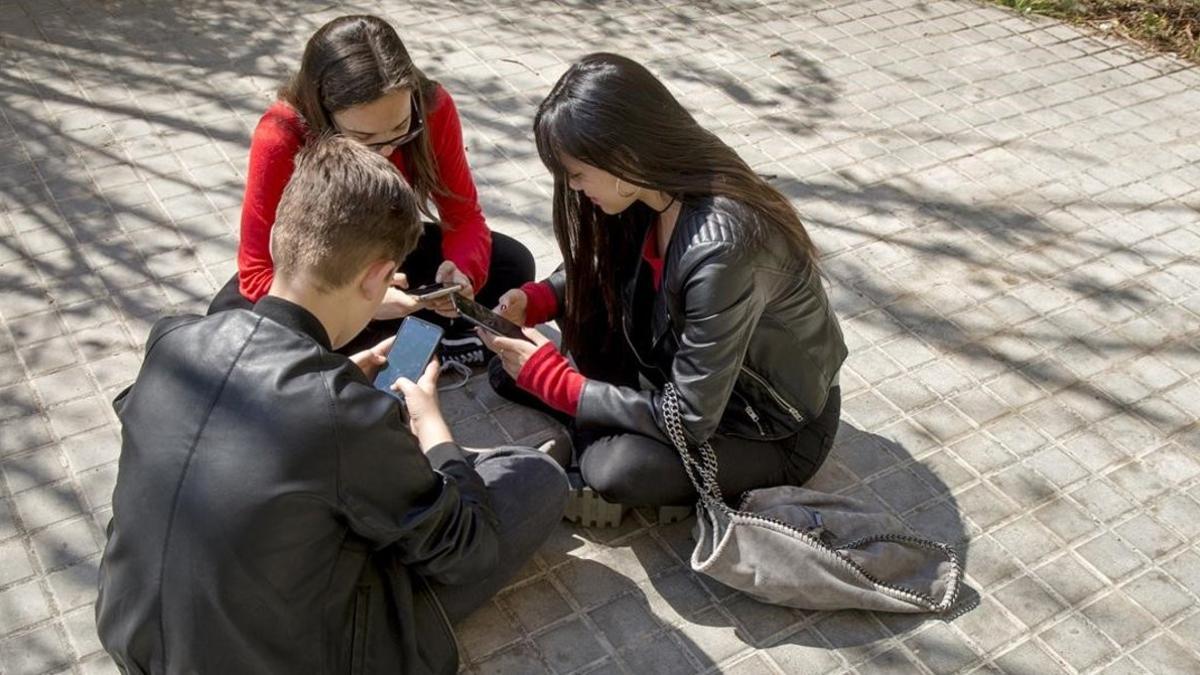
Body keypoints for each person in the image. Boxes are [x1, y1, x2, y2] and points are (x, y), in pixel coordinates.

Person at [96, 137, 567, 674]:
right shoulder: (343, 414)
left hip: (133, 637)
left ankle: (424, 477)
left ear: (279, 237)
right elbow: (470, 550)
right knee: (534, 478)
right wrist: (434, 429)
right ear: (377, 276)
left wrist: (344, 381)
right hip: (285, 660)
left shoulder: (173, 341)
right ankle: (444, 470)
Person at [480, 53, 847, 522]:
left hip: (771, 429)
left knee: (616, 469)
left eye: (576, 174)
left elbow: (691, 417)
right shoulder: (653, 185)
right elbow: (606, 270)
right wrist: (540, 298)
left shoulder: (722, 248)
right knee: (507, 371)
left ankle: (611, 460)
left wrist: (560, 383)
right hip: (683, 372)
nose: (573, 188)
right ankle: (597, 424)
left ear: (621, 158)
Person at [207, 14, 534, 365]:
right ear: (323, 114)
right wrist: (362, 304)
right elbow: (257, 272)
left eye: (401, 128)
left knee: (512, 265)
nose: (388, 150)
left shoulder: (433, 107)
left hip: (391, 256)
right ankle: (395, 341)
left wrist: (462, 271)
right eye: (364, 139)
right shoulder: (281, 133)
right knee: (227, 325)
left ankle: (372, 348)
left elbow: (464, 216)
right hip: (320, 274)